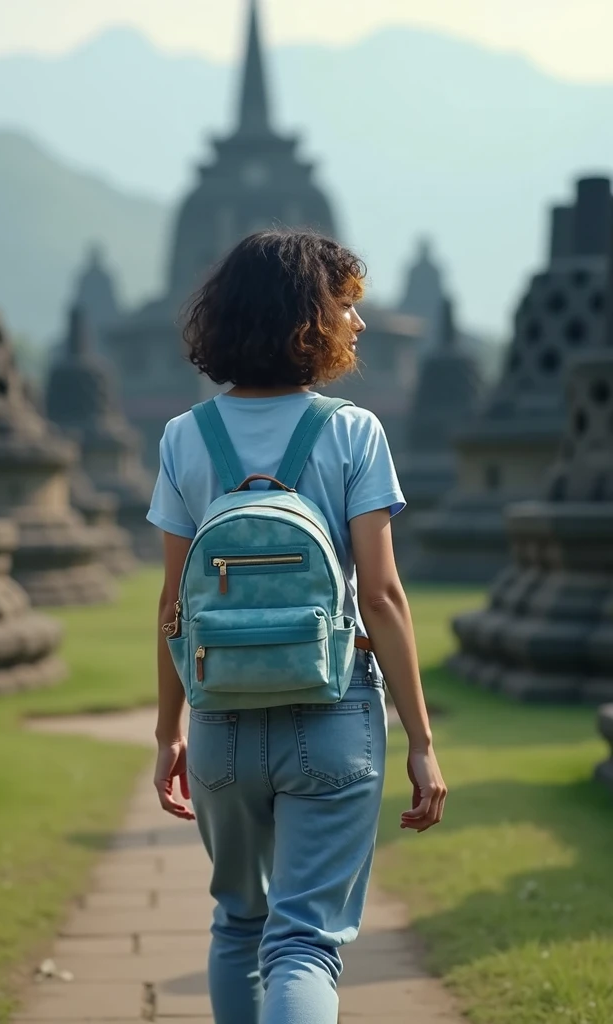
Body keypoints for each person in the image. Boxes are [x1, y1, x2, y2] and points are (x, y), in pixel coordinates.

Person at [148, 229, 446, 1024]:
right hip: (336, 706)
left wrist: (167, 731)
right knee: (305, 943)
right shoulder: (353, 433)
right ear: (308, 318)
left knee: (238, 925)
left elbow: (174, 604)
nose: (361, 323)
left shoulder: (185, 437)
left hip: (220, 720)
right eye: (348, 305)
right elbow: (381, 596)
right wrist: (419, 738)